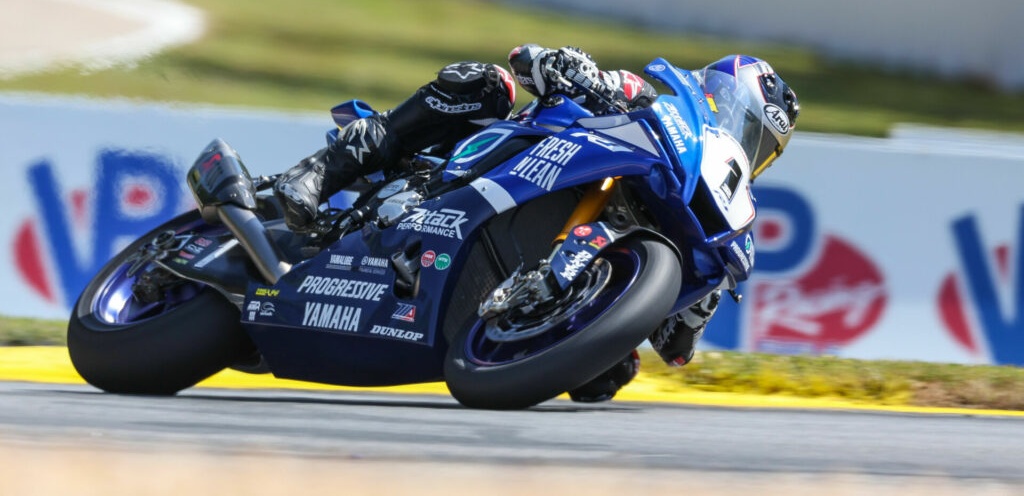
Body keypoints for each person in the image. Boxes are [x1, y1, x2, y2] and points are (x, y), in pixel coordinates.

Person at [275, 45, 799, 402]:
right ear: (714, 93)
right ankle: (320, 172)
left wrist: (677, 309)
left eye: (762, 147)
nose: (748, 147)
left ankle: (522, 323)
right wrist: (566, 67)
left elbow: (675, 346)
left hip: (537, 291)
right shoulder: (646, 98)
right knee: (486, 85)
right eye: (746, 124)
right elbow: (530, 60)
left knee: (608, 379)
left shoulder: (720, 214)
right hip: (491, 163)